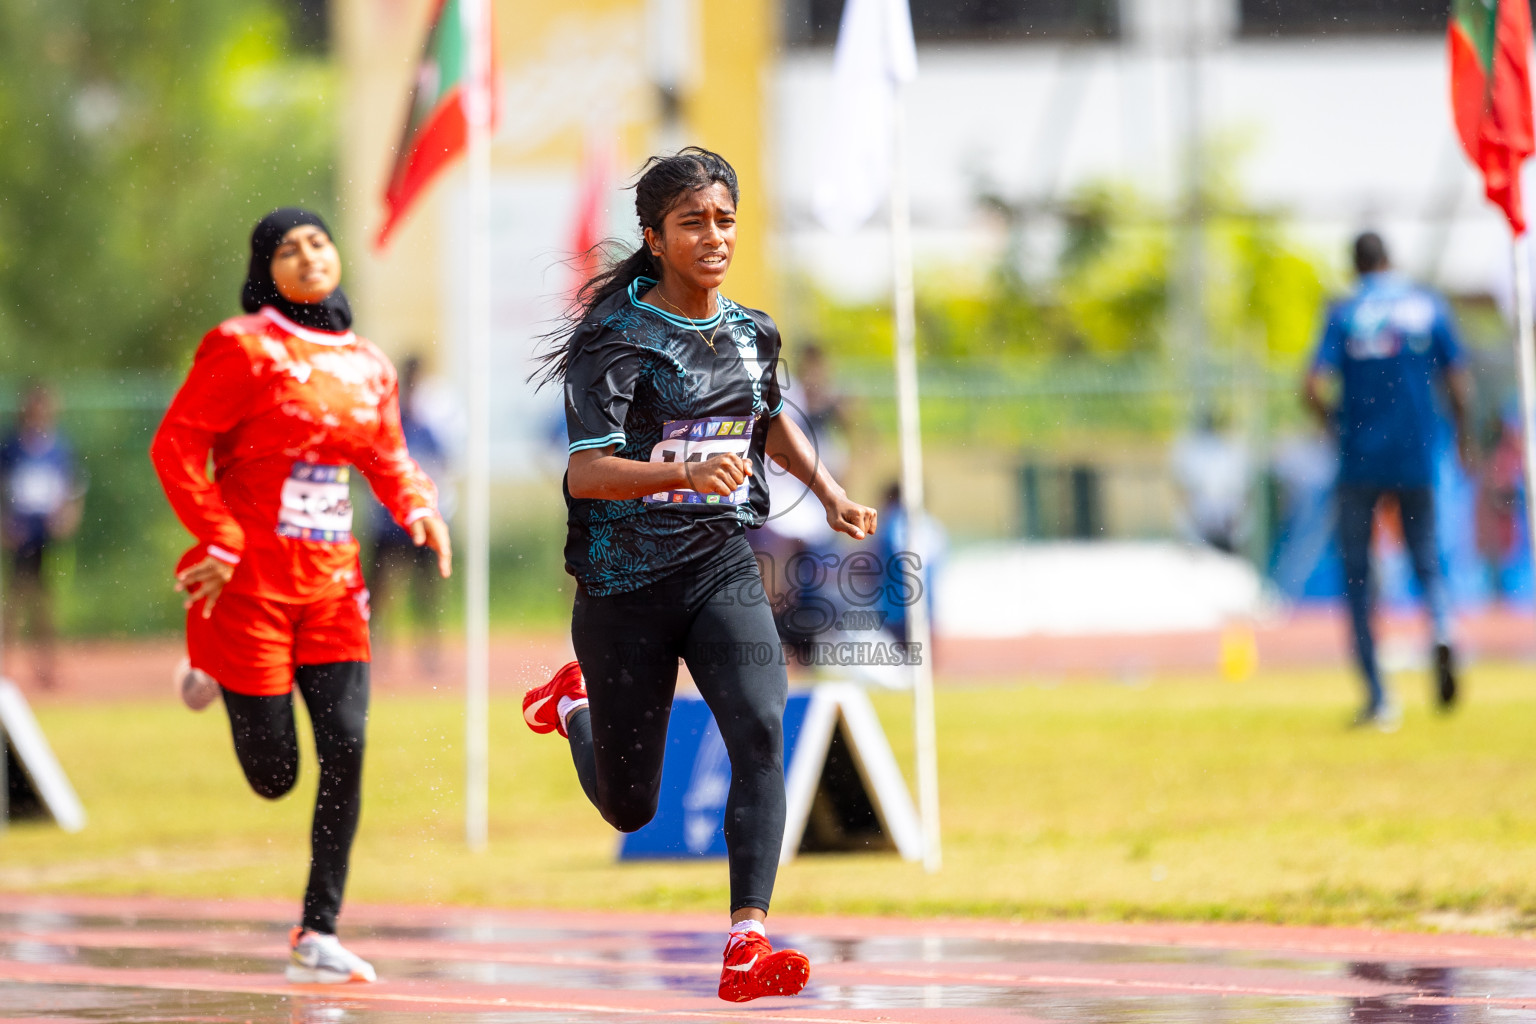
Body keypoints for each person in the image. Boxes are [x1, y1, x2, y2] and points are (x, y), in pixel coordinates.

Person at [521, 148, 878, 1003]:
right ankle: (574, 704)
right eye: (693, 223)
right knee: (630, 807)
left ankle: (747, 942)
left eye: (724, 219)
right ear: (655, 237)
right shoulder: (615, 341)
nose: (714, 236)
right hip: (622, 588)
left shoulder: (753, 331)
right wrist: (679, 473)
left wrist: (828, 491)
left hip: (720, 568)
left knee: (761, 731)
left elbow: (767, 418)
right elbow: (587, 472)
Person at [150, 208, 451, 984]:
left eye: (318, 241)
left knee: (347, 749)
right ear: (266, 273)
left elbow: (387, 455)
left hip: (333, 588)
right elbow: (177, 443)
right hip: (248, 587)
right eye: (289, 249)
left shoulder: (368, 366)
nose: (309, 255)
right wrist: (216, 534)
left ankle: (318, 931)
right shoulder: (243, 348)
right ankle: (212, 657)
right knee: (276, 776)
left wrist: (417, 506)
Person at [1303, 231, 1471, 729]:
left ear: (1355, 266)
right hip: (1417, 454)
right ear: (1391, 260)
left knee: (1358, 575)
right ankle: (1441, 627)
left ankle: (1380, 699)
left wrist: (1335, 428)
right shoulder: (1426, 305)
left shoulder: (1344, 311)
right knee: (1425, 559)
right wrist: (1462, 439)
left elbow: (1312, 385)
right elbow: (1458, 380)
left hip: (1359, 460)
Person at [366, 354, 449, 673]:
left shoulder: (429, 426)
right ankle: (375, 653)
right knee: (379, 592)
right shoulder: (390, 421)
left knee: (426, 593)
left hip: (419, 521)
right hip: (388, 522)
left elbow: (442, 465)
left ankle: (429, 656)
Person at [0, 384, 84, 689]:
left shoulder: (59, 446)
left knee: (45, 599)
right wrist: (5, 522)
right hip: (21, 532)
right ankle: (6, 663)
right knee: (15, 596)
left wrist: (68, 516)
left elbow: (71, 486)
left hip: (47, 533)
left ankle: (46, 665)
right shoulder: (11, 446)